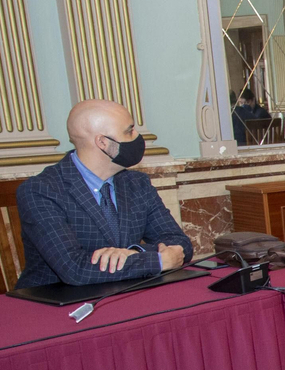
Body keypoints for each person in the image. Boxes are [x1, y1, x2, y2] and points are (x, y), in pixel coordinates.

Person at [15, 100, 191, 287]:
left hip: (123, 291)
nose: (138, 137)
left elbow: (180, 243)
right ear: (103, 142)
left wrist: (135, 252)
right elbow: (74, 269)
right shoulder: (41, 190)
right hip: (55, 303)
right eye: (129, 131)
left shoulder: (137, 183)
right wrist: (156, 260)